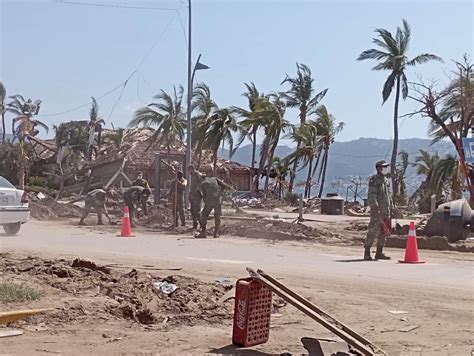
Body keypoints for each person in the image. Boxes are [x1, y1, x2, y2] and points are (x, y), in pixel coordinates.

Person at [364, 160, 393, 260]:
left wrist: (392, 208)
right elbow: (372, 195)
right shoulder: (374, 180)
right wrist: (375, 207)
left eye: (386, 167)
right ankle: (367, 252)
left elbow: (389, 196)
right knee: (373, 230)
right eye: (383, 167)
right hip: (377, 210)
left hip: (386, 210)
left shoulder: (386, 180)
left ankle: (379, 252)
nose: (385, 169)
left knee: (383, 232)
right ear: (378, 168)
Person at [188, 165, 204, 230]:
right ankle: (195, 224)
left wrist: (198, 190)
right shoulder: (192, 176)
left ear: (192, 169)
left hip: (197, 195)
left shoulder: (198, 175)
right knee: (192, 210)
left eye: (189, 170)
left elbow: (201, 183)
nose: (188, 172)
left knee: (197, 211)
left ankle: (202, 225)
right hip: (192, 195)